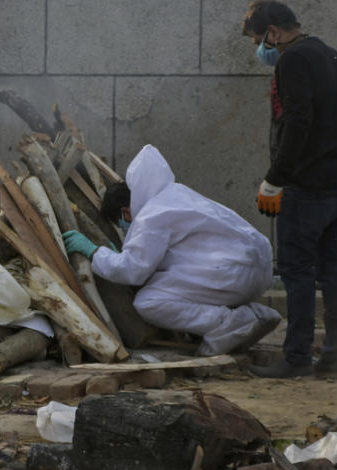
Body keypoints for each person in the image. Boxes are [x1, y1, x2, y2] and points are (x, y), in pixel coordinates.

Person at [62, 145, 281, 357]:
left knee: (148, 302)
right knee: (173, 287)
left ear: (126, 212)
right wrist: (115, 256)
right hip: (257, 270)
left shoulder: (150, 215)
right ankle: (256, 314)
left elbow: (132, 271)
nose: (126, 228)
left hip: (233, 273)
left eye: (122, 224)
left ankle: (232, 324)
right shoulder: (176, 193)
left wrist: (93, 252)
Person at [242, 1, 337, 378]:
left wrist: (274, 179)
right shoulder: (333, 55)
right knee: (332, 269)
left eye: (260, 40)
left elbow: (297, 123)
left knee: (297, 271)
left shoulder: (292, 61)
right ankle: (334, 357)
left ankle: (296, 359)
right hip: (336, 186)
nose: (260, 48)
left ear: (275, 33)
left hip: (305, 187)